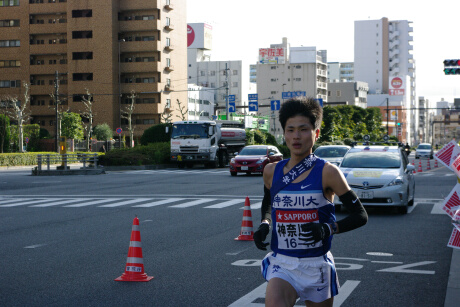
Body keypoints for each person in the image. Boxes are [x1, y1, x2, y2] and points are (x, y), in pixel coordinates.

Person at [253, 97, 368, 307]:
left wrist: (327, 229)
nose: (296, 136)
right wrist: (265, 223)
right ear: (284, 133)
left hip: (316, 265)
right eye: (290, 129)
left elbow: (361, 215)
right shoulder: (271, 171)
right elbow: (268, 201)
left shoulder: (328, 172)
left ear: (316, 133)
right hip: (283, 263)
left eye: (303, 129)